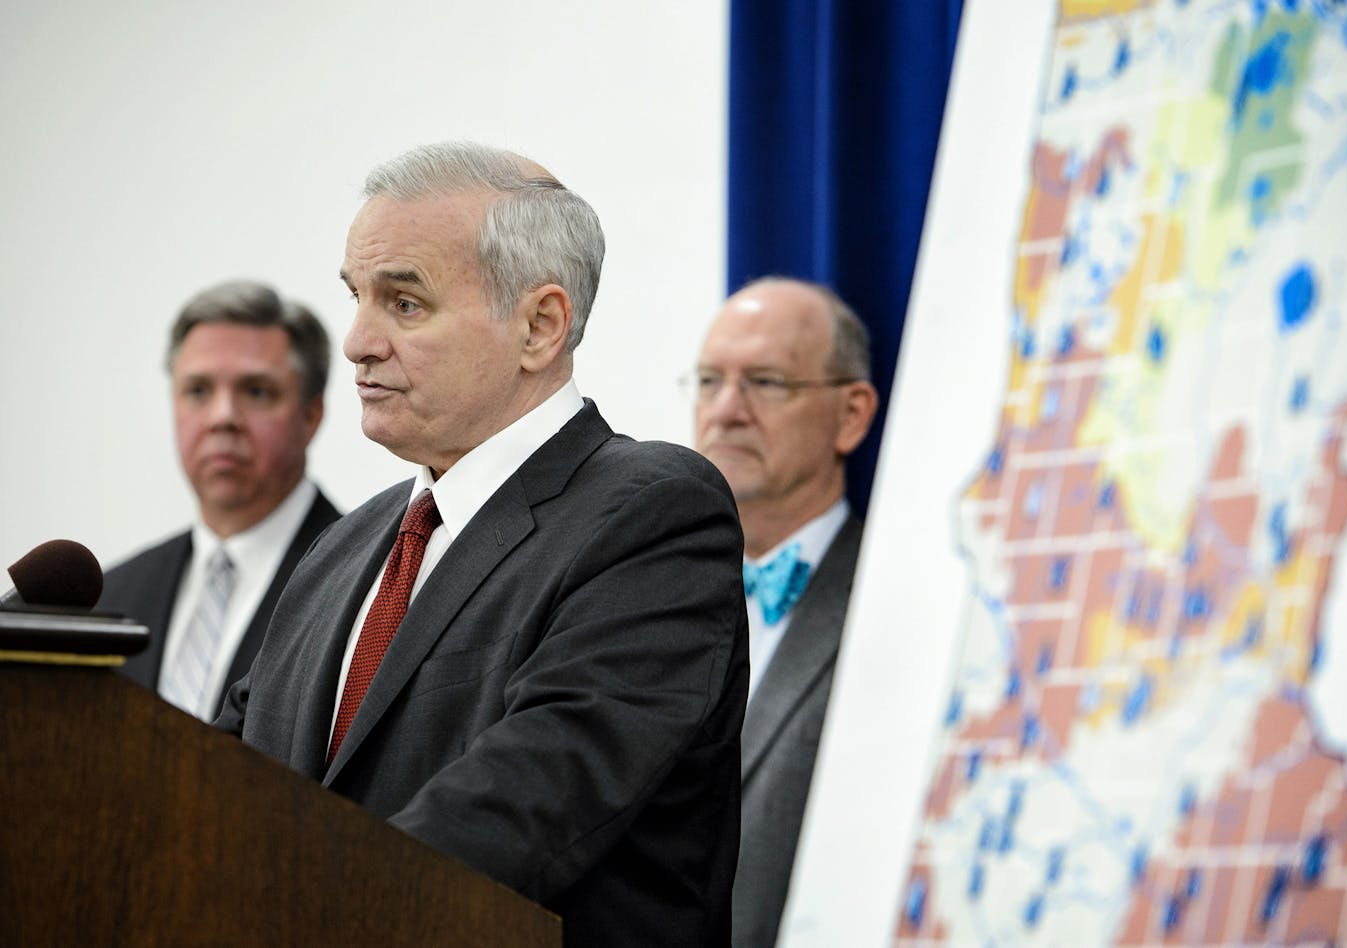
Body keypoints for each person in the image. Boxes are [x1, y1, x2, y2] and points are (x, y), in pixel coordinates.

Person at [214, 142, 748, 947]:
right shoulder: (343, 547)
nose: (356, 341)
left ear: (540, 325)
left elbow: (529, 800)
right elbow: (218, 784)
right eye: (356, 297)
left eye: (405, 304)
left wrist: (299, 906)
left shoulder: (652, 513)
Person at [689, 277, 879, 948]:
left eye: (766, 382)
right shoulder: (646, 600)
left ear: (851, 415)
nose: (727, 410)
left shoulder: (891, 606)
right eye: (709, 381)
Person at [97, 280, 340, 722]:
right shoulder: (112, 597)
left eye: (256, 392)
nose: (222, 418)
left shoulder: (368, 579)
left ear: (311, 415)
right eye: (198, 391)